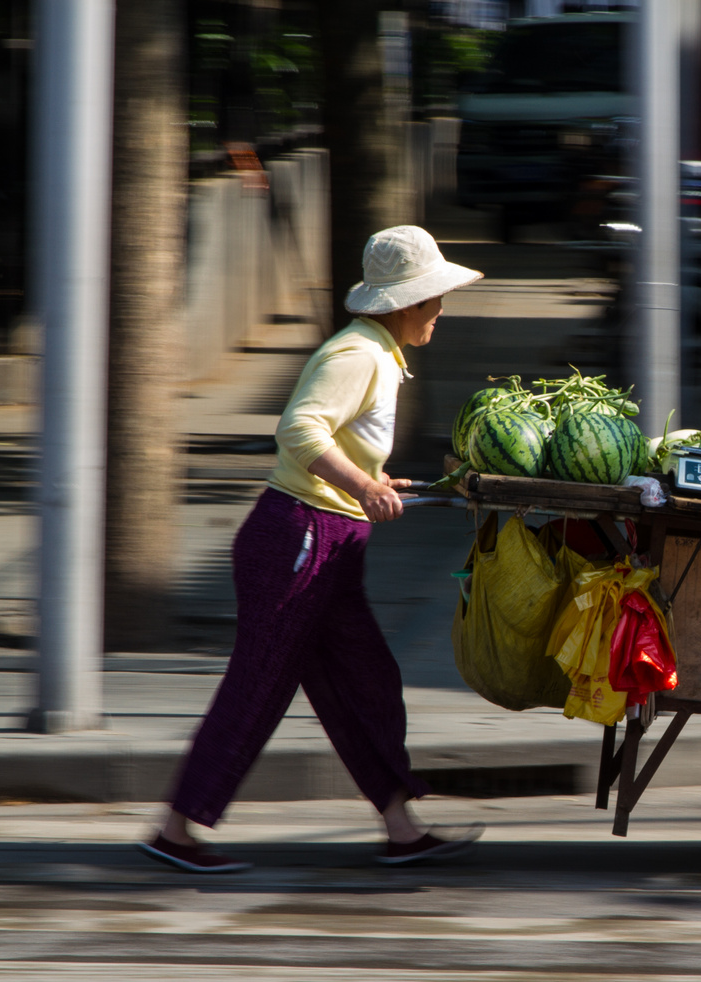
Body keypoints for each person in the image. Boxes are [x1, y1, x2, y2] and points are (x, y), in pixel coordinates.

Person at [139, 225, 484, 874]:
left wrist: (373, 482)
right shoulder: (358, 355)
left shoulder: (378, 353)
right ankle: (176, 831)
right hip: (300, 539)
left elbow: (336, 439)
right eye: (434, 300)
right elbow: (297, 429)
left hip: (330, 541)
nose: (439, 311)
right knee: (259, 686)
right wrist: (359, 484)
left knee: (365, 680)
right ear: (405, 303)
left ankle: (402, 827)